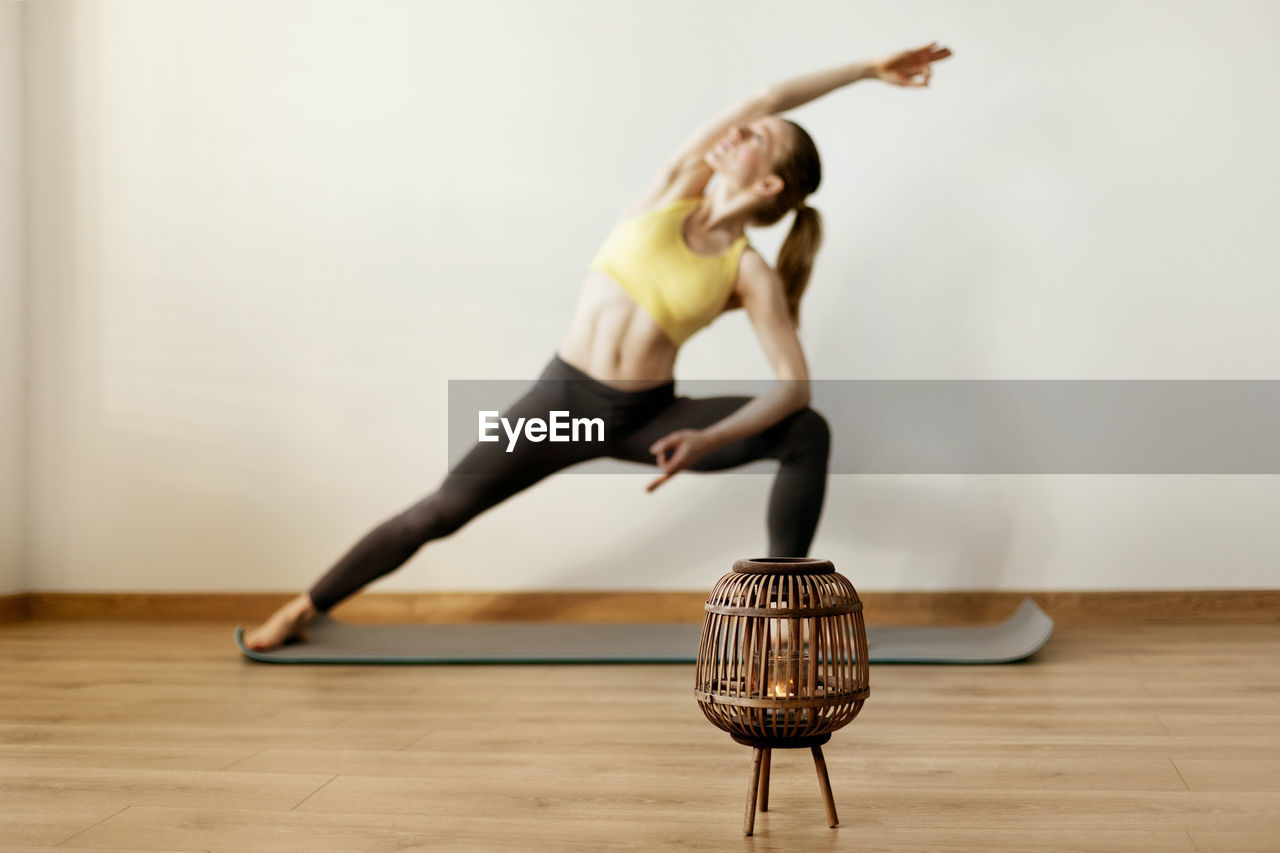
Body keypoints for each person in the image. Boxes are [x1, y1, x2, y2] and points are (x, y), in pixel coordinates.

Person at [243, 42, 953, 651]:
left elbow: (792, 386)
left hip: (648, 417)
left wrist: (707, 439)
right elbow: (767, 93)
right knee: (438, 512)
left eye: (754, 137)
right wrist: (865, 69)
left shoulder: (747, 270)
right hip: (564, 404)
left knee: (806, 431)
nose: (736, 132)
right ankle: (304, 607)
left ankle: (781, 618)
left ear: (767, 183)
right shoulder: (671, 190)